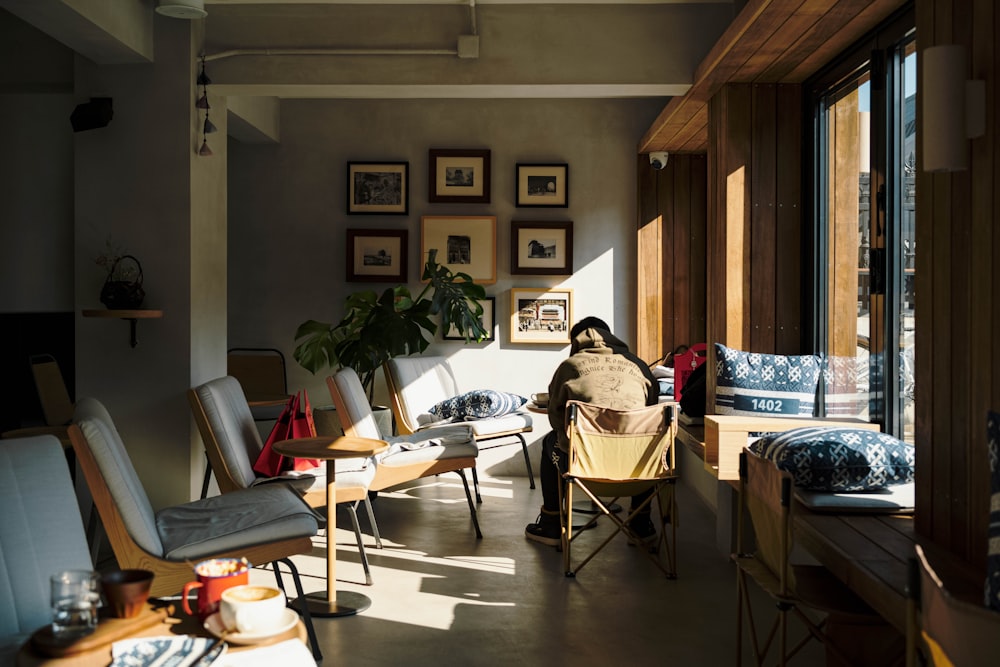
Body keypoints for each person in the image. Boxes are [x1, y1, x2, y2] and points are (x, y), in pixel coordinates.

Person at [525, 316, 659, 547]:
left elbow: (555, 420)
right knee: (652, 443)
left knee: (550, 442)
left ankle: (551, 524)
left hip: (584, 467)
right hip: (639, 469)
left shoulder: (570, 366)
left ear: (575, 341)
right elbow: (652, 411)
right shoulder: (640, 366)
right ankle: (640, 522)